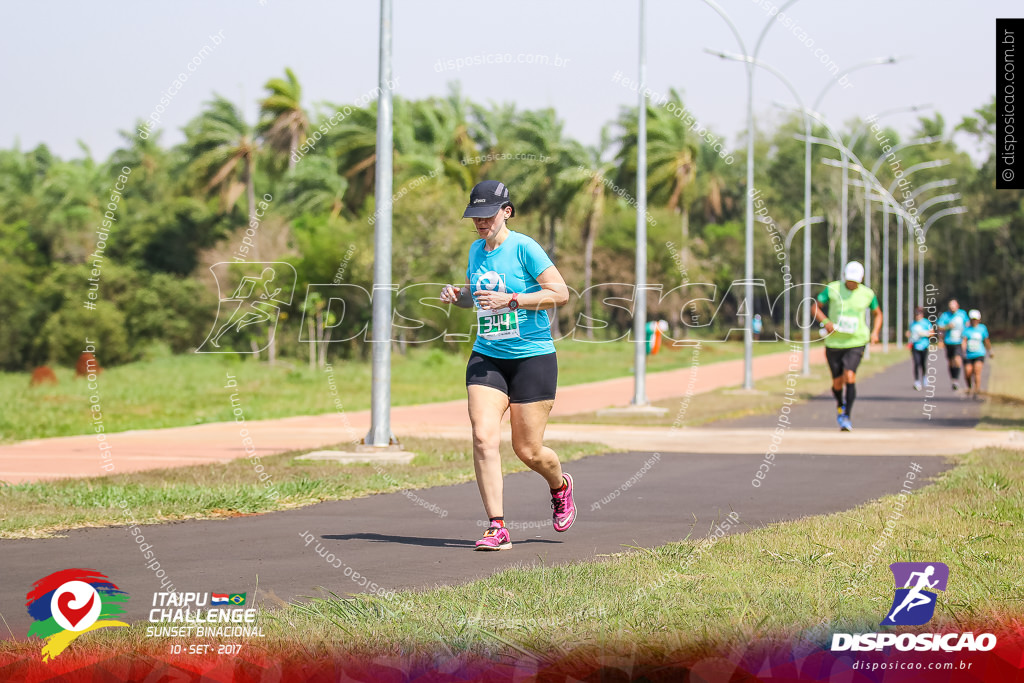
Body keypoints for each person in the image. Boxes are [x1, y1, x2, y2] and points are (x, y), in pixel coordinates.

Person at [440, 180, 575, 551]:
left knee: (528, 450)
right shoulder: (475, 251)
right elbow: (479, 297)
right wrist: (459, 296)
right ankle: (496, 526)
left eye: (487, 215)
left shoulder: (524, 248)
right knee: (483, 437)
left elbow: (560, 293)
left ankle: (560, 486)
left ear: (506, 212)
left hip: (532, 357)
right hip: (488, 355)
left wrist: (513, 299)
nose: (481, 223)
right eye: (475, 217)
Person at [812, 261, 882, 431]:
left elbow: (877, 313)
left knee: (849, 376)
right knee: (837, 383)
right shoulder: (832, 288)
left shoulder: (867, 294)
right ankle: (840, 404)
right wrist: (826, 322)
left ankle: (846, 417)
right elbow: (815, 307)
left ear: (861, 279)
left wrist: (875, 332)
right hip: (834, 342)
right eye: (850, 280)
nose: (852, 284)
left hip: (856, 341)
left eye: (855, 281)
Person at [937, 299, 970, 390]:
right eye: (950, 306)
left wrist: (966, 338)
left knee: (957, 360)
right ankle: (953, 379)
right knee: (951, 362)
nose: (952, 308)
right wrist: (948, 327)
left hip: (959, 341)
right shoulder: (945, 315)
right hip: (948, 341)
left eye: (953, 306)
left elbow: (967, 324)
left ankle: (956, 380)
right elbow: (940, 327)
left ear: (957, 306)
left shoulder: (962, 314)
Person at [961, 309, 992, 399]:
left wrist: (990, 351)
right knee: (968, 372)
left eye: (975, 319)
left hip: (979, 353)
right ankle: (970, 387)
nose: (974, 321)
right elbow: (964, 341)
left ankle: (977, 390)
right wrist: (963, 351)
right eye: (972, 319)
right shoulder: (966, 329)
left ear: (979, 319)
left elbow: (986, 340)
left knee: (977, 371)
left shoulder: (982, 328)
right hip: (968, 354)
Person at [906, 306, 935, 391]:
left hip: (924, 346)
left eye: (919, 314)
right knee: (916, 363)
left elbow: (932, 333)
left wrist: (924, 333)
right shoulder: (912, 323)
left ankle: (924, 377)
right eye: (916, 314)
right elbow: (909, 332)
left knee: (923, 363)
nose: (917, 316)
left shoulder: (926, 323)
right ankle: (917, 381)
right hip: (915, 346)